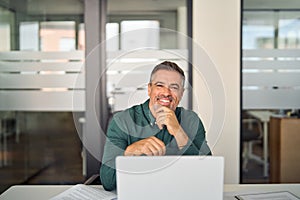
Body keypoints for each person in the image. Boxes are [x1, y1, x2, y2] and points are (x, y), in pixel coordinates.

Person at [100, 61, 211, 191]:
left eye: (174, 87)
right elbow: (108, 182)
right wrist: (129, 152)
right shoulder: (122, 121)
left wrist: (178, 132)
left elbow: (208, 174)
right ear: (149, 89)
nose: (166, 93)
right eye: (160, 85)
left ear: (181, 93)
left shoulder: (192, 120)